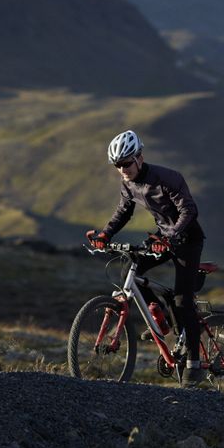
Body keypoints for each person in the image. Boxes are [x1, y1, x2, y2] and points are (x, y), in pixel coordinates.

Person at [86, 130, 207, 388]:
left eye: (126, 163)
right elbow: (122, 212)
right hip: (163, 238)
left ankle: (194, 363)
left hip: (188, 240)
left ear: (139, 157)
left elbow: (189, 209)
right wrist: (105, 235)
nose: (122, 169)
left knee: (183, 301)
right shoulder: (128, 183)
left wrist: (174, 234)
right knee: (130, 275)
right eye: (117, 165)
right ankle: (159, 317)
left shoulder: (166, 179)